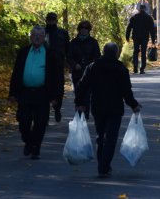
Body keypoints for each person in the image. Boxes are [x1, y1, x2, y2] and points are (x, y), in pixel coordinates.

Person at [75, 42, 142, 178]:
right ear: (116, 53)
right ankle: (104, 166)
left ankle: (102, 165)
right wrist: (134, 105)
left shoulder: (93, 66)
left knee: (100, 136)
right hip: (115, 107)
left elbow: (82, 85)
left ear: (103, 52)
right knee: (111, 137)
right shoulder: (120, 68)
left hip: (98, 106)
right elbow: (126, 91)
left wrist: (80, 102)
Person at [9, 26, 64, 159]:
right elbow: (16, 73)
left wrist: (56, 97)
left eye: (40, 35)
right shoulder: (23, 52)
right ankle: (28, 141)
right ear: (31, 37)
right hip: (25, 92)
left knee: (40, 122)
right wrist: (12, 93)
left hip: (42, 93)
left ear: (44, 37)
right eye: (35, 35)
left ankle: (36, 147)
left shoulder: (51, 54)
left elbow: (57, 77)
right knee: (23, 121)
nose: (37, 37)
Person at [67, 20, 101, 120]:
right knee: (78, 94)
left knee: (87, 95)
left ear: (89, 30)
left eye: (86, 28)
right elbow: (68, 57)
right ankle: (78, 114)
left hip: (89, 73)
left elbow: (97, 57)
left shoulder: (93, 42)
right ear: (79, 29)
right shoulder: (73, 42)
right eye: (82, 28)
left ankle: (84, 116)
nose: (84, 30)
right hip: (77, 73)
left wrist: (91, 66)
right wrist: (74, 64)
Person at [45, 12, 70, 122]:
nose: (51, 21)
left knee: (59, 89)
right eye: (49, 19)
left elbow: (68, 48)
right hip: (44, 65)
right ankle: (44, 114)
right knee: (45, 89)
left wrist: (68, 62)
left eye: (53, 19)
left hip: (58, 65)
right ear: (47, 20)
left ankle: (57, 109)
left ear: (56, 20)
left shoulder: (62, 33)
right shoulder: (42, 32)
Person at [125, 5, 156, 74]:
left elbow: (129, 28)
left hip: (136, 37)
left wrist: (127, 37)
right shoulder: (148, 18)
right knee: (143, 52)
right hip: (144, 37)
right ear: (145, 9)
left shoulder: (134, 17)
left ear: (139, 9)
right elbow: (152, 30)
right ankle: (142, 69)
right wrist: (153, 40)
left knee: (135, 52)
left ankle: (135, 67)